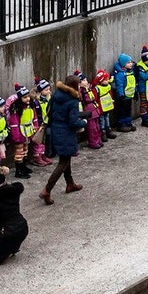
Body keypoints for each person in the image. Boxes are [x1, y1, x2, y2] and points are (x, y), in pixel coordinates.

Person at [40, 74, 86, 204]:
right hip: (66, 132)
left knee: (66, 157)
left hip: (55, 129)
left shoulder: (56, 94)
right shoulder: (73, 100)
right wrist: (84, 122)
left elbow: (50, 110)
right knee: (63, 161)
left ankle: (70, 183)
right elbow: (73, 122)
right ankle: (47, 189)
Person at [76, 70, 103, 149]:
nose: (86, 81)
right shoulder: (81, 91)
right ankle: (93, 142)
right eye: (84, 80)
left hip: (94, 108)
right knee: (92, 128)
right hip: (88, 110)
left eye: (86, 80)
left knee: (97, 126)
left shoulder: (89, 88)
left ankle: (98, 140)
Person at [112, 54, 138, 132]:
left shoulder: (131, 72)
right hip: (123, 97)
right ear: (123, 64)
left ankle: (128, 123)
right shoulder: (120, 74)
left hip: (129, 96)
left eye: (131, 62)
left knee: (128, 110)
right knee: (122, 111)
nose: (131, 64)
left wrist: (135, 92)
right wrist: (121, 95)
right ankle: (121, 125)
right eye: (128, 62)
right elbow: (119, 85)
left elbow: (133, 83)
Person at [92, 69, 116, 141]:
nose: (107, 81)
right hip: (100, 108)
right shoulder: (97, 89)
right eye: (105, 80)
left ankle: (108, 130)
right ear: (100, 80)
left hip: (107, 107)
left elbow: (110, 95)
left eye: (108, 79)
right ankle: (103, 133)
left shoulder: (108, 86)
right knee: (101, 120)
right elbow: (95, 98)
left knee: (107, 119)